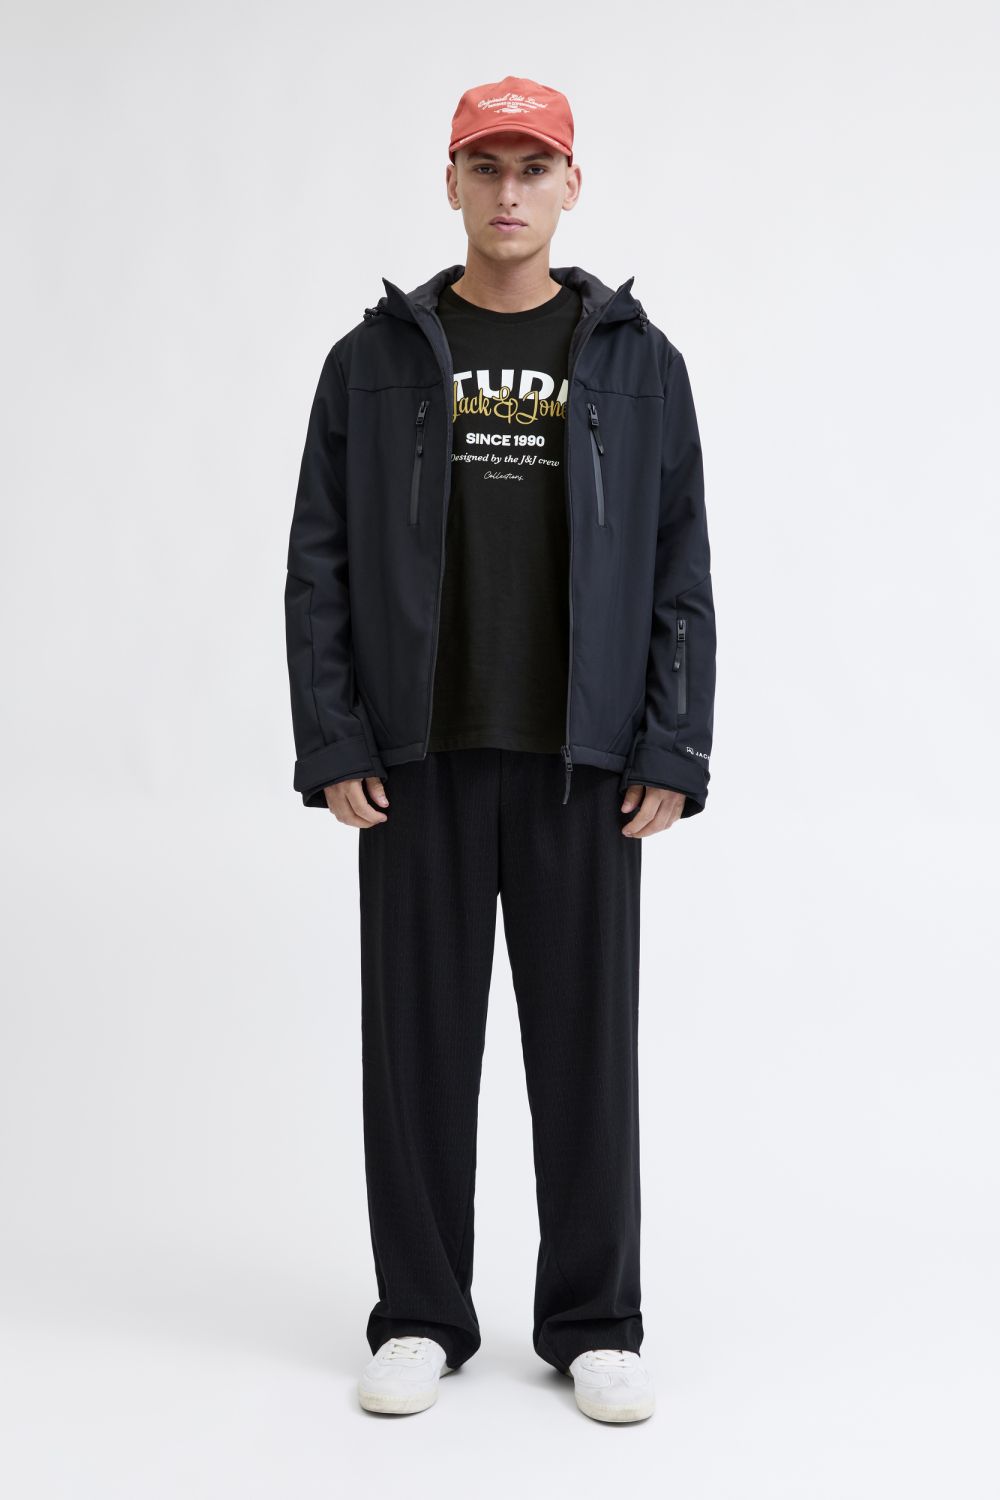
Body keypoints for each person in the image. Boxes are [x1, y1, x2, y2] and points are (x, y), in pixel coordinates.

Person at [283, 74, 717, 1423]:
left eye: (535, 167)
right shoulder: (372, 361)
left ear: (572, 185)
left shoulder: (639, 361)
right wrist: (335, 735)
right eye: (487, 165)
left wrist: (672, 742)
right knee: (416, 1051)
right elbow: (318, 564)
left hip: (585, 761)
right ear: (453, 182)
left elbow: (680, 565)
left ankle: (594, 1322)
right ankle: (420, 1315)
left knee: (587, 1051)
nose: (510, 190)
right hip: (417, 755)